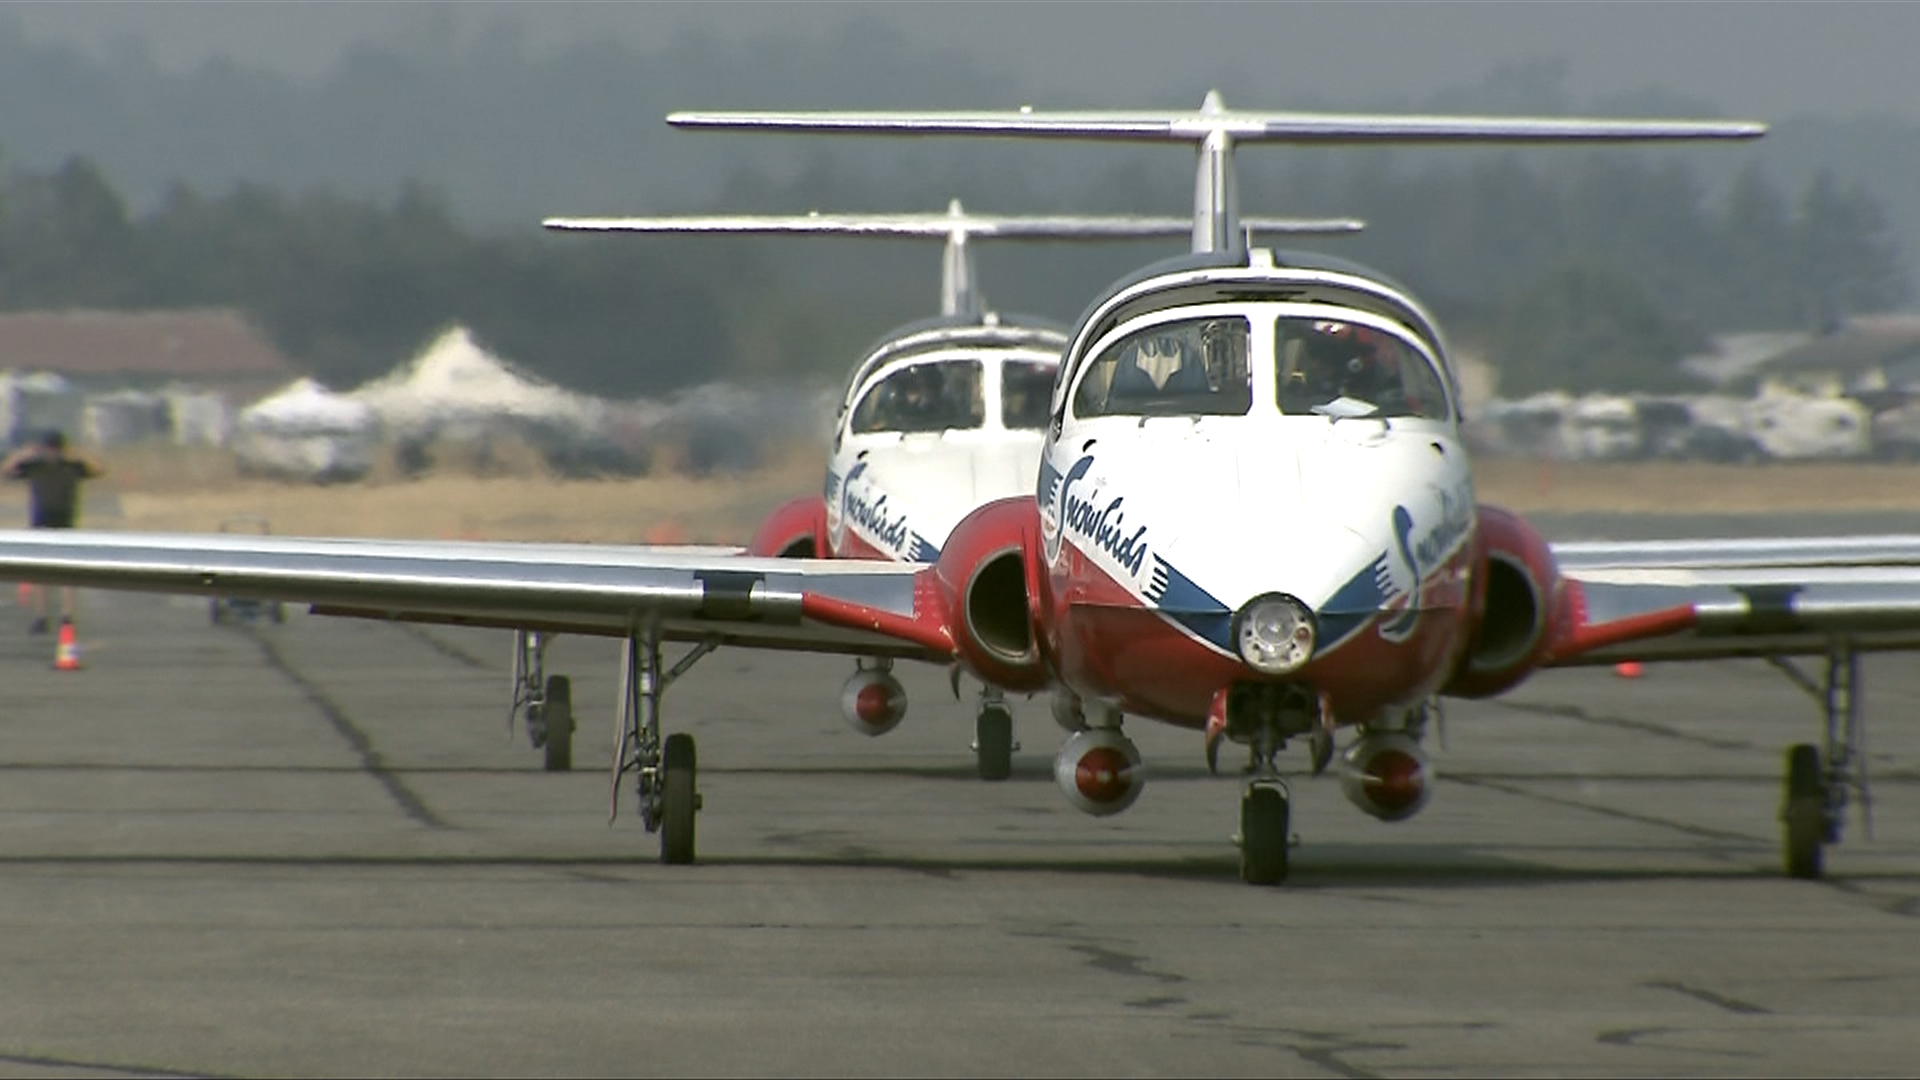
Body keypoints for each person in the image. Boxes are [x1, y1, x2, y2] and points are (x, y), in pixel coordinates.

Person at [3, 430, 105, 633]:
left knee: (67, 572)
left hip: (65, 521)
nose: (53, 453)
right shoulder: (35, 466)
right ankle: (42, 616)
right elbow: (6, 471)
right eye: (49, 449)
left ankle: (67, 615)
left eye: (56, 449)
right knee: (41, 573)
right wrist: (23, 454)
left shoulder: (72, 466)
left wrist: (78, 453)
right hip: (41, 522)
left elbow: (99, 469)